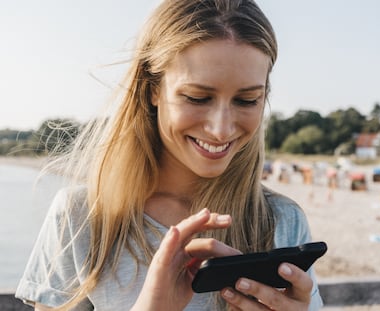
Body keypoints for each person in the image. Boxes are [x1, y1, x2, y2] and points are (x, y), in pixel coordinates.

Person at [16, 0, 324, 310]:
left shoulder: (281, 220)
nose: (221, 129)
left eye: (247, 100)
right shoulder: (81, 217)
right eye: (197, 97)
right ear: (152, 88)